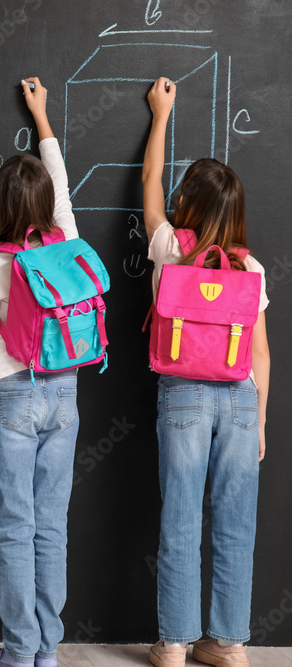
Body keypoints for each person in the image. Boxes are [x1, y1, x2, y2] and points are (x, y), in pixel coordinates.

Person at [0, 78, 80, 667]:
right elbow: (66, 195)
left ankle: (19, 650)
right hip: (65, 392)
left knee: (14, 528)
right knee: (52, 527)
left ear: (0, 205)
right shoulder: (66, 244)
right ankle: (47, 652)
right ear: (46, 203)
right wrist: (44, 120)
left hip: (9, 399)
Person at [142, 78, 270, 667]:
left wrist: (161, 115)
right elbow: (261, 355)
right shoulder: (250, 268)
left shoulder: (170, 246)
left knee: (180, 518)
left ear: (187, 205)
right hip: (241, 400)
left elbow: (149, 187)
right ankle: (230, 645)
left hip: (185, 395)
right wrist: (260, 422)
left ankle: (173, 644)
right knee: (236, 524)